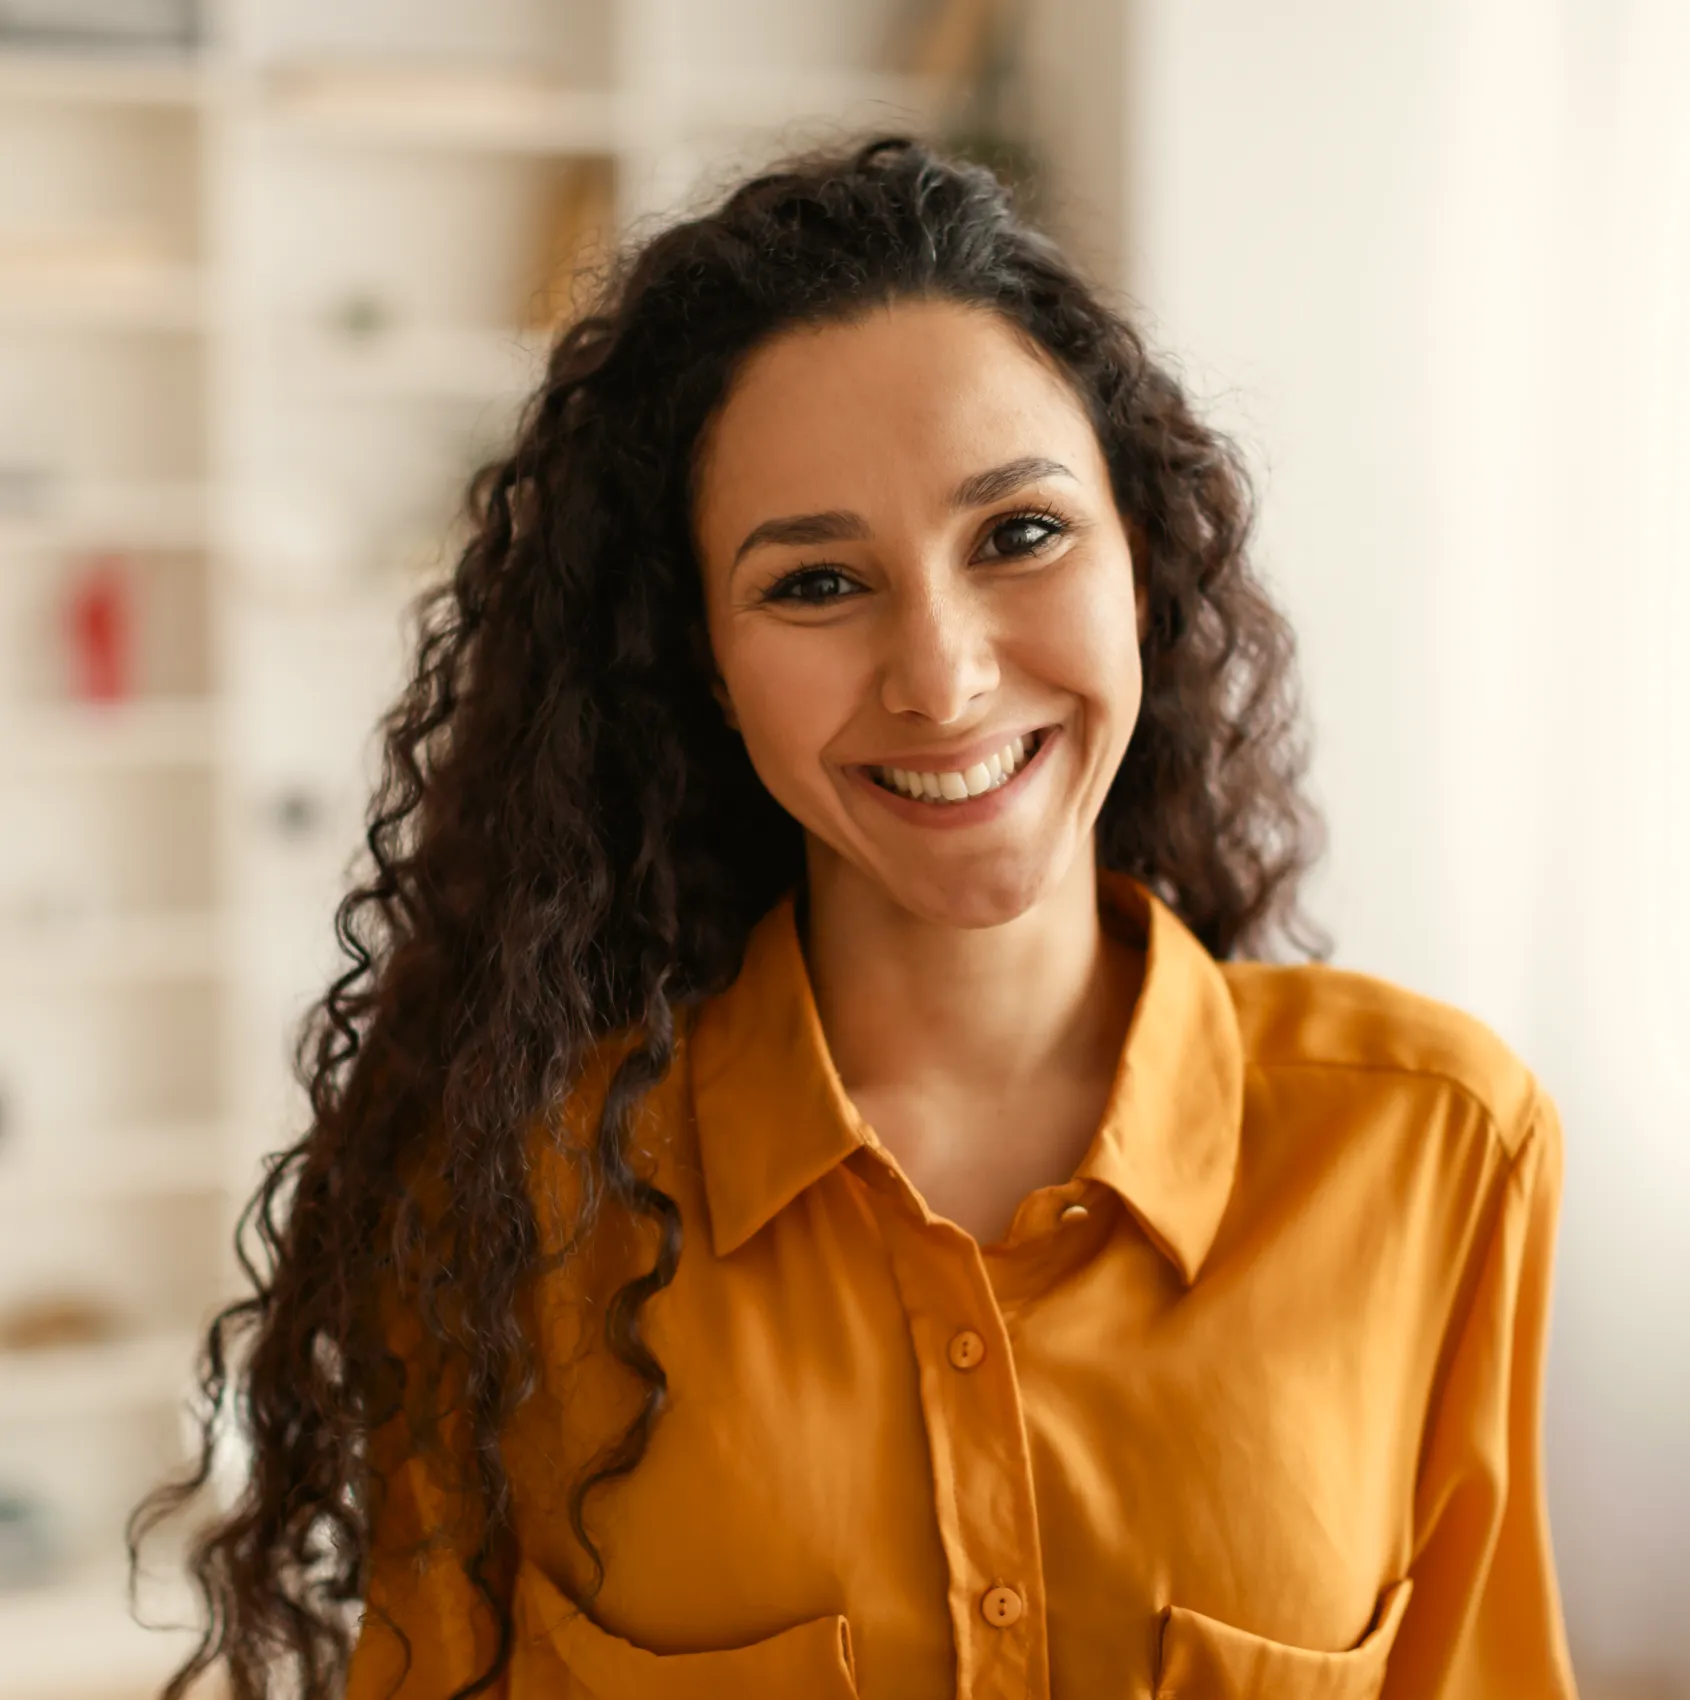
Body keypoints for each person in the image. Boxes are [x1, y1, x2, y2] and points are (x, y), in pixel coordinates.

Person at [134, 137, 1576, 1700]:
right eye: (815, 585)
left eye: (1019, 535)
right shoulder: (510, 1205)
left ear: (1138, 562)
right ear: (701, 662)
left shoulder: (1436, 1145)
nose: (942, 677)